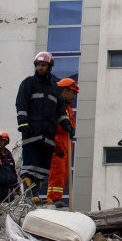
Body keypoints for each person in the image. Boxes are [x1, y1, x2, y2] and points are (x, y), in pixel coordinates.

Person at [16, 52, 72, 205]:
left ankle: (35, 195)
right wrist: (22, 123)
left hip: (48, 135)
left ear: (49, 67)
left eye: (43, 65)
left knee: (42, 170)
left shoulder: (54, 88)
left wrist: (66, 124)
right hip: (32, 132)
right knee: (29, 166)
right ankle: (28, 195)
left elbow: (60, 111)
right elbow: (21, 103)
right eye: (38, 65)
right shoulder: (28, 83)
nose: (40, 68)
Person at [47, 78, 78, 207]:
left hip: (65, 142)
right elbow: (53, 126)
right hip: (58, 142)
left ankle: (57, 197)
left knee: (63, 172)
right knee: (57, 171)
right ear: (65, 91)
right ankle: (52, 198)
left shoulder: (67, 107)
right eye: (73, 93)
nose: (74, 96)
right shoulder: (56, 105)